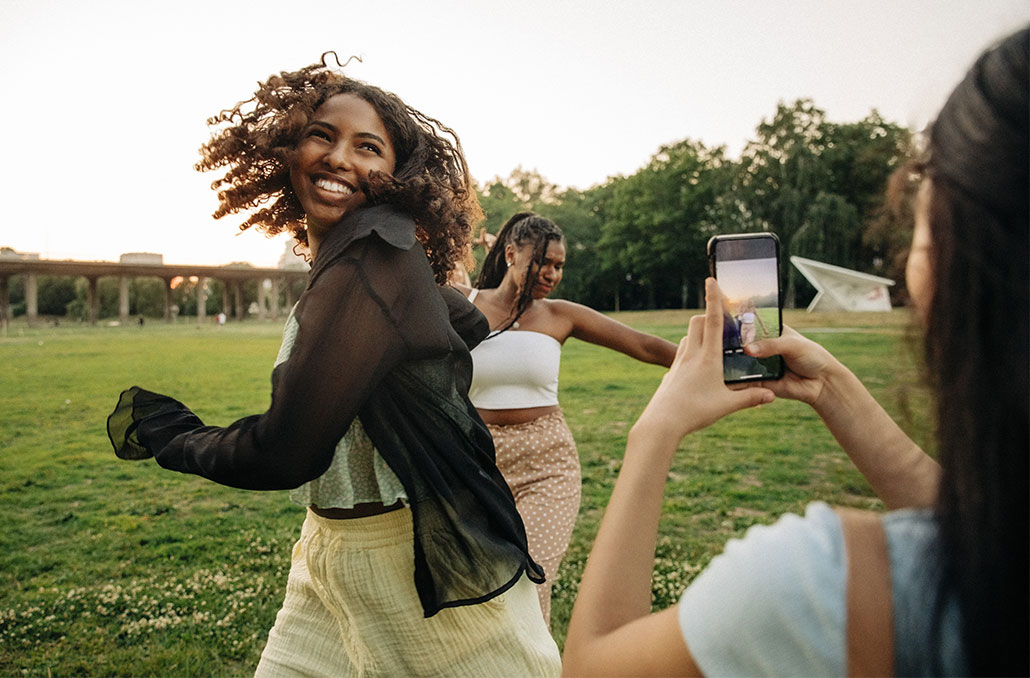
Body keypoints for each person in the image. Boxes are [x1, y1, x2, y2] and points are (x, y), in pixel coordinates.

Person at [563, 27, 1027, 677]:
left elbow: (591, 667)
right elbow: (979, 526)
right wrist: (831, 388)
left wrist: (656, 430)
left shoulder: (819, 585)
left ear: (953, 259)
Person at [106, 54, 560, 677]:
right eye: (322, 134)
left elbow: (286, 451)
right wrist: (443, 307)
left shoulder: (374, 253)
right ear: (286, 149)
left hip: (412, 567)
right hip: (325, 553)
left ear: (399, 176)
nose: (341, 157)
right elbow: (464, 319)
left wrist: (175, 436)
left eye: (368, 147)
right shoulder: (367, 262)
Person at [454, 212, 678, 626]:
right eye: (542, 262)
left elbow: (644, 346)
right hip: (478, 464)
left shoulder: (561, 315)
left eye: (559, 265)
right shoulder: (463, 304)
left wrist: (718, 361)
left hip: (547, 464)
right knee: (475, 586)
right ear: (510, 255)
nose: (552, 274)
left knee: (530, 580)